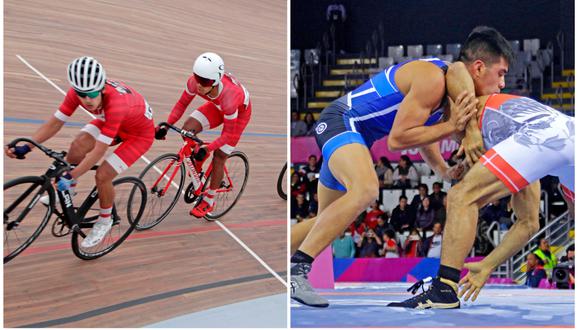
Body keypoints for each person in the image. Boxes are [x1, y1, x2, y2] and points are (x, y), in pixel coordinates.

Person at [290, 26, 511, 307]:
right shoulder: (434, 79)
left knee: (324, 222)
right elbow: (397, 141)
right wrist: (452, 127)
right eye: (501, 74)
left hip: (355, 133)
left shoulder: (445, 95)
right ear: (478, 68)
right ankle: (297, 271)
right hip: (342, 120)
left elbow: (424, 140)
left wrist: (443, 170)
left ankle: (271, 259)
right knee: (367, 190)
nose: (502, 83)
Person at [394, 93, 574, 308]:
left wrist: (449, 161)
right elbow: (528, 223)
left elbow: (410, 137)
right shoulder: (520, 144)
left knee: (461, 196)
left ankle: (444, 290)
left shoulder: (464, 101)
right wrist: (487, 265)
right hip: (568, 134)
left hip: (546, 135)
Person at [5, 56, 155, 248]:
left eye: (91, 94)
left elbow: (98, 151)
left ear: (101, 88)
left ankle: (105, 220)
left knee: (103, 175)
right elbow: (55, 122)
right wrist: (28, 146)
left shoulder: (117, 105)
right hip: (112, 123)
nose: (86, 100)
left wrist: (72, 173)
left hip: (138, 135)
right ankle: (70, 190)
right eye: (81, 94)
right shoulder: (78, 94)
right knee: (78, 145)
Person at [155, 52, 252, 218]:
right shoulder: (195, 83)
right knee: (187, 130)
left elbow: (228, 135)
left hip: (238, 113)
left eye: (204, 81)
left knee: (219, 155)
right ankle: (197, 170)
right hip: (216, 106)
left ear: (215, 81)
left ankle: (210, 199)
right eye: (197, 77)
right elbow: (181, 104)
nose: (199, 84)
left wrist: (208, 149)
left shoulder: (229, 97)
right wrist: (167, 125)